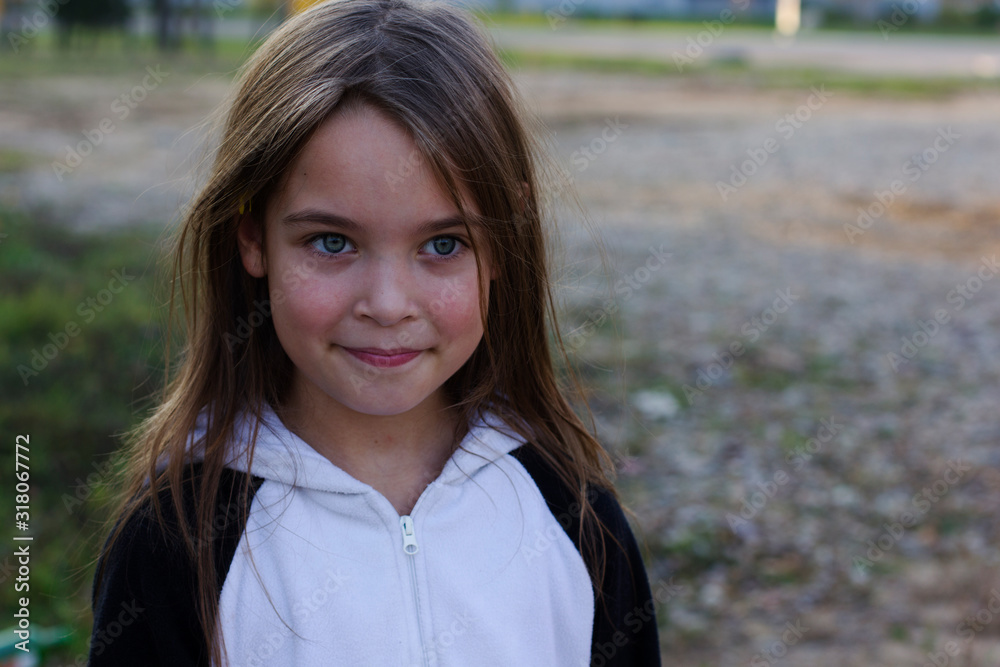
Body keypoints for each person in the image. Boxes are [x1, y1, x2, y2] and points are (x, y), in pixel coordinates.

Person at [88, 0, 662, 665]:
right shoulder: (175, 544)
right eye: (332, 241)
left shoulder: (576, 517)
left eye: (443, 244)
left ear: (504, 245)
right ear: (253, 240)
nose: (388, 305)